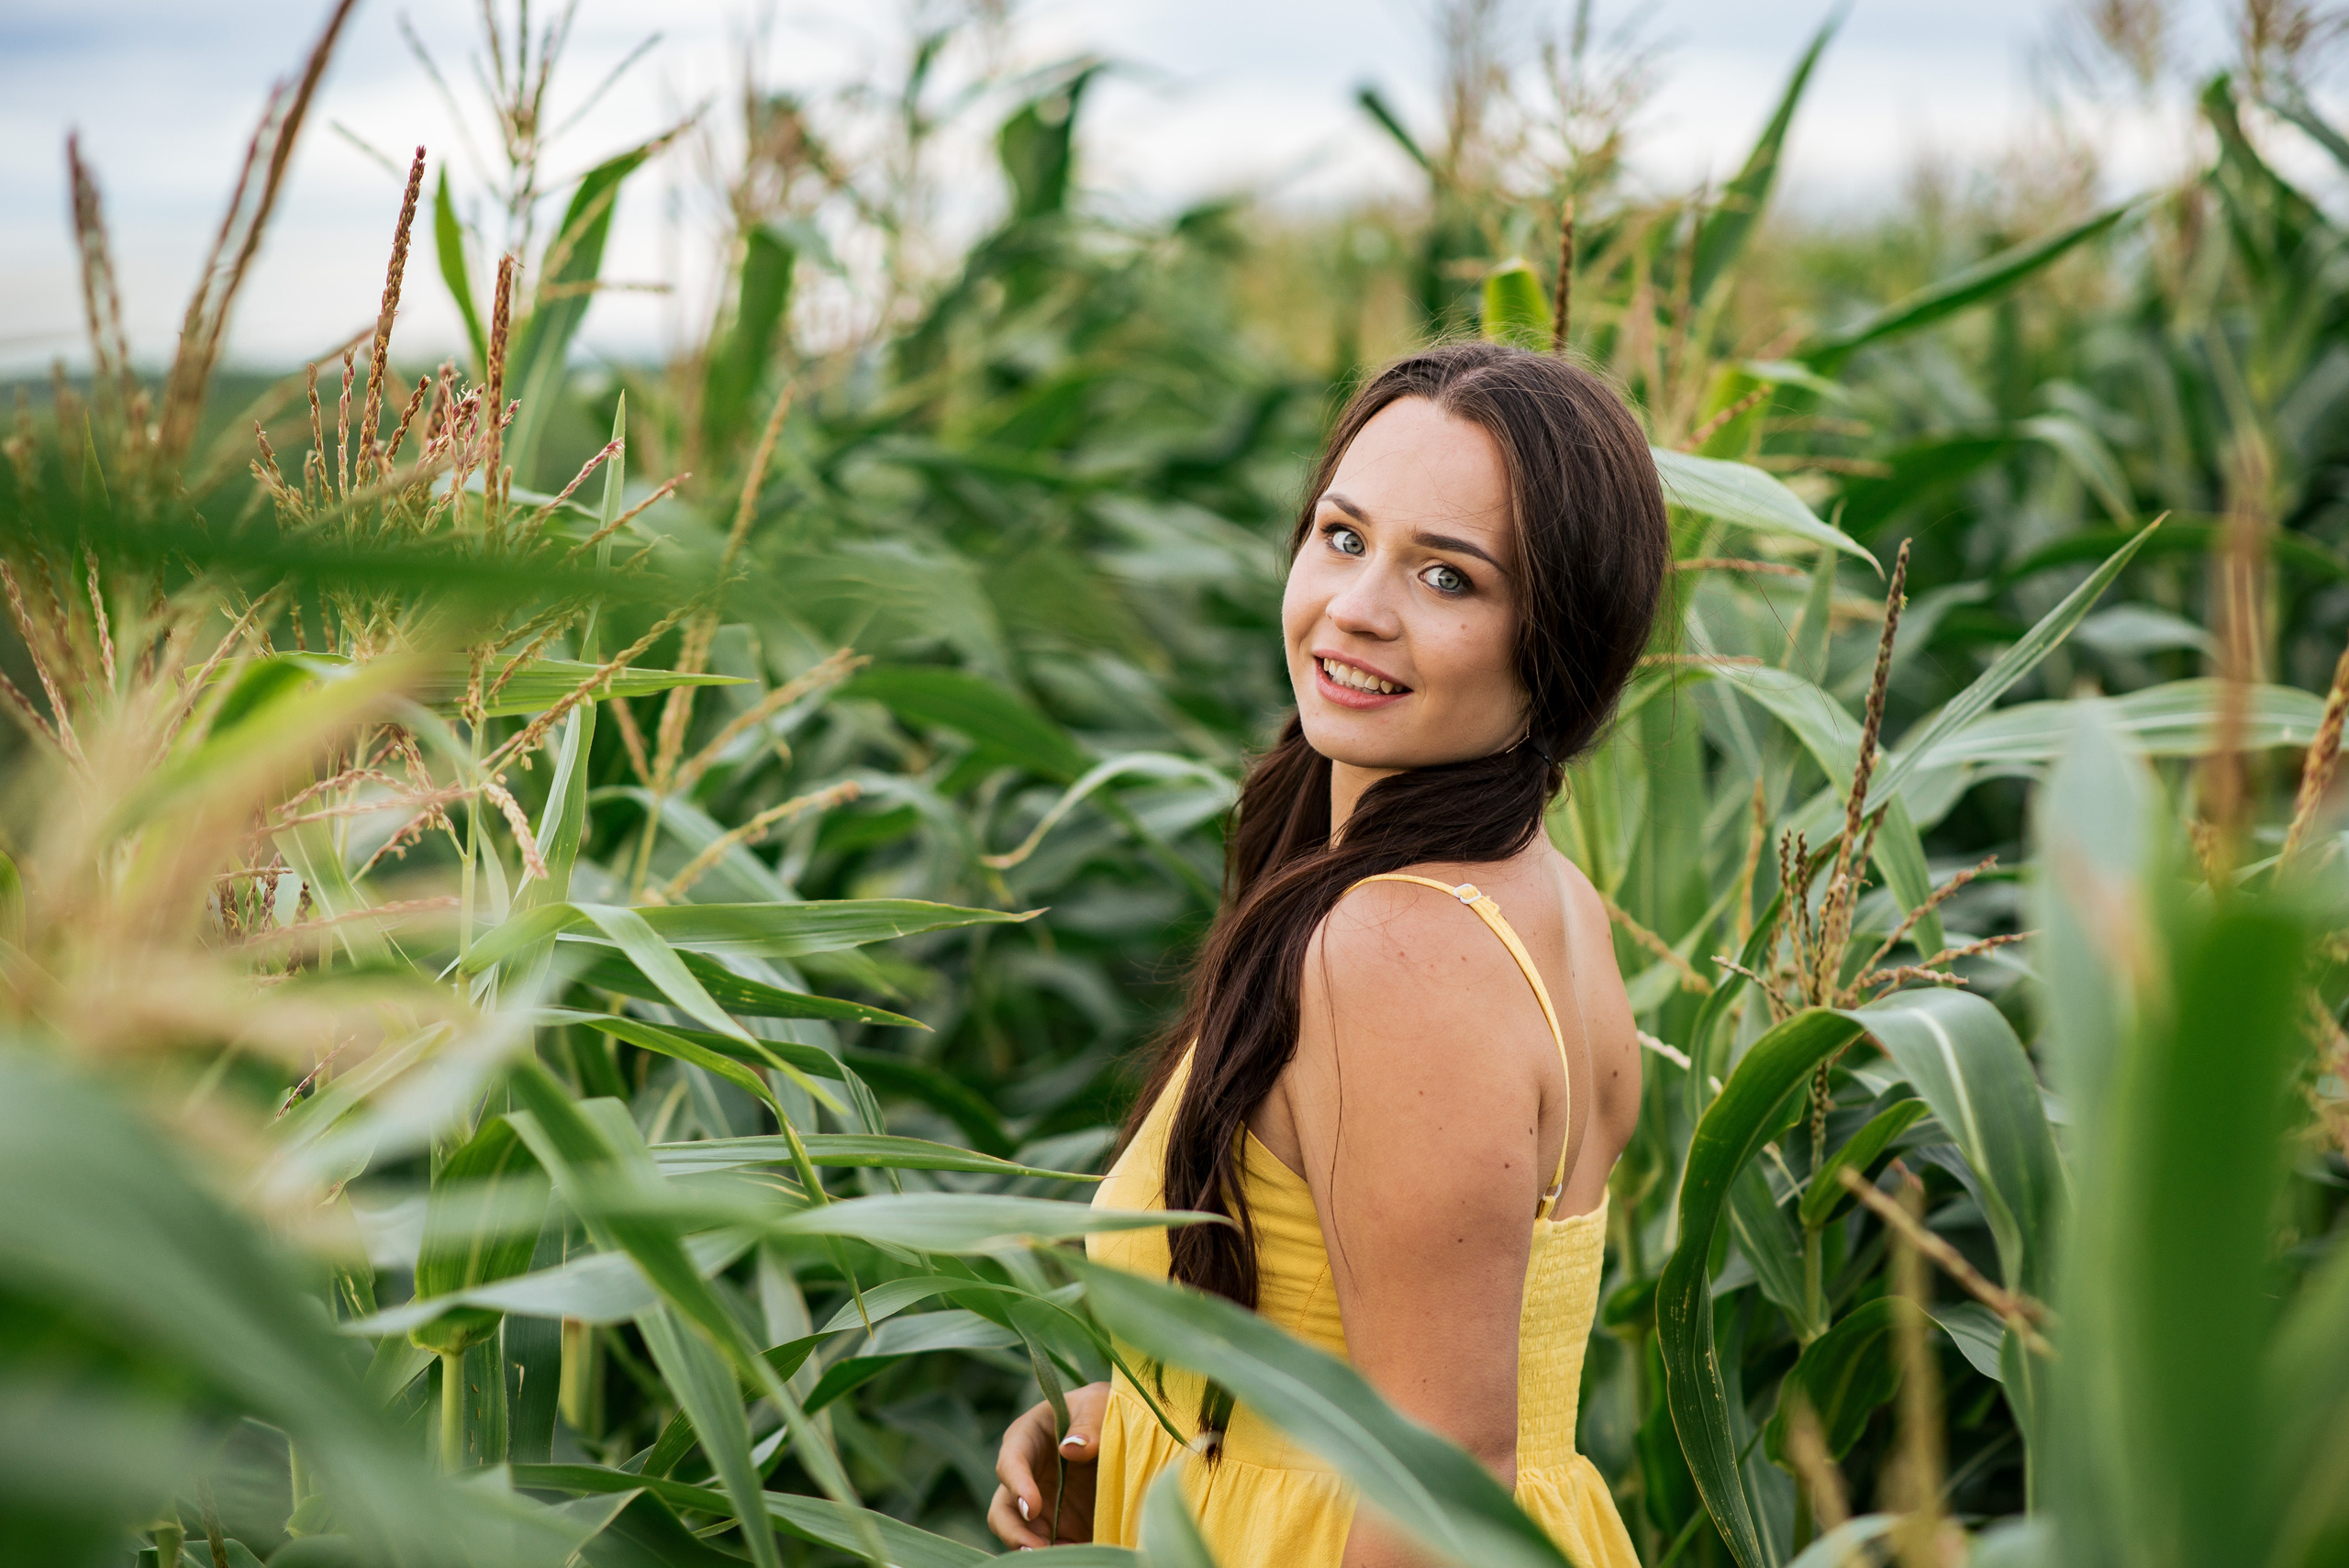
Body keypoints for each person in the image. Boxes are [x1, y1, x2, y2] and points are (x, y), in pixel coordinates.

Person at [987, 341, 1668, 1567]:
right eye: (1344, 538)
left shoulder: (1397, 954)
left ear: (1553, 638)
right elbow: (1402, 1338)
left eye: (1450, 578)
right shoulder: (1545, 898)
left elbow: (1438, 1478)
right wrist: (1141, 1426)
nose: (1357, 606)